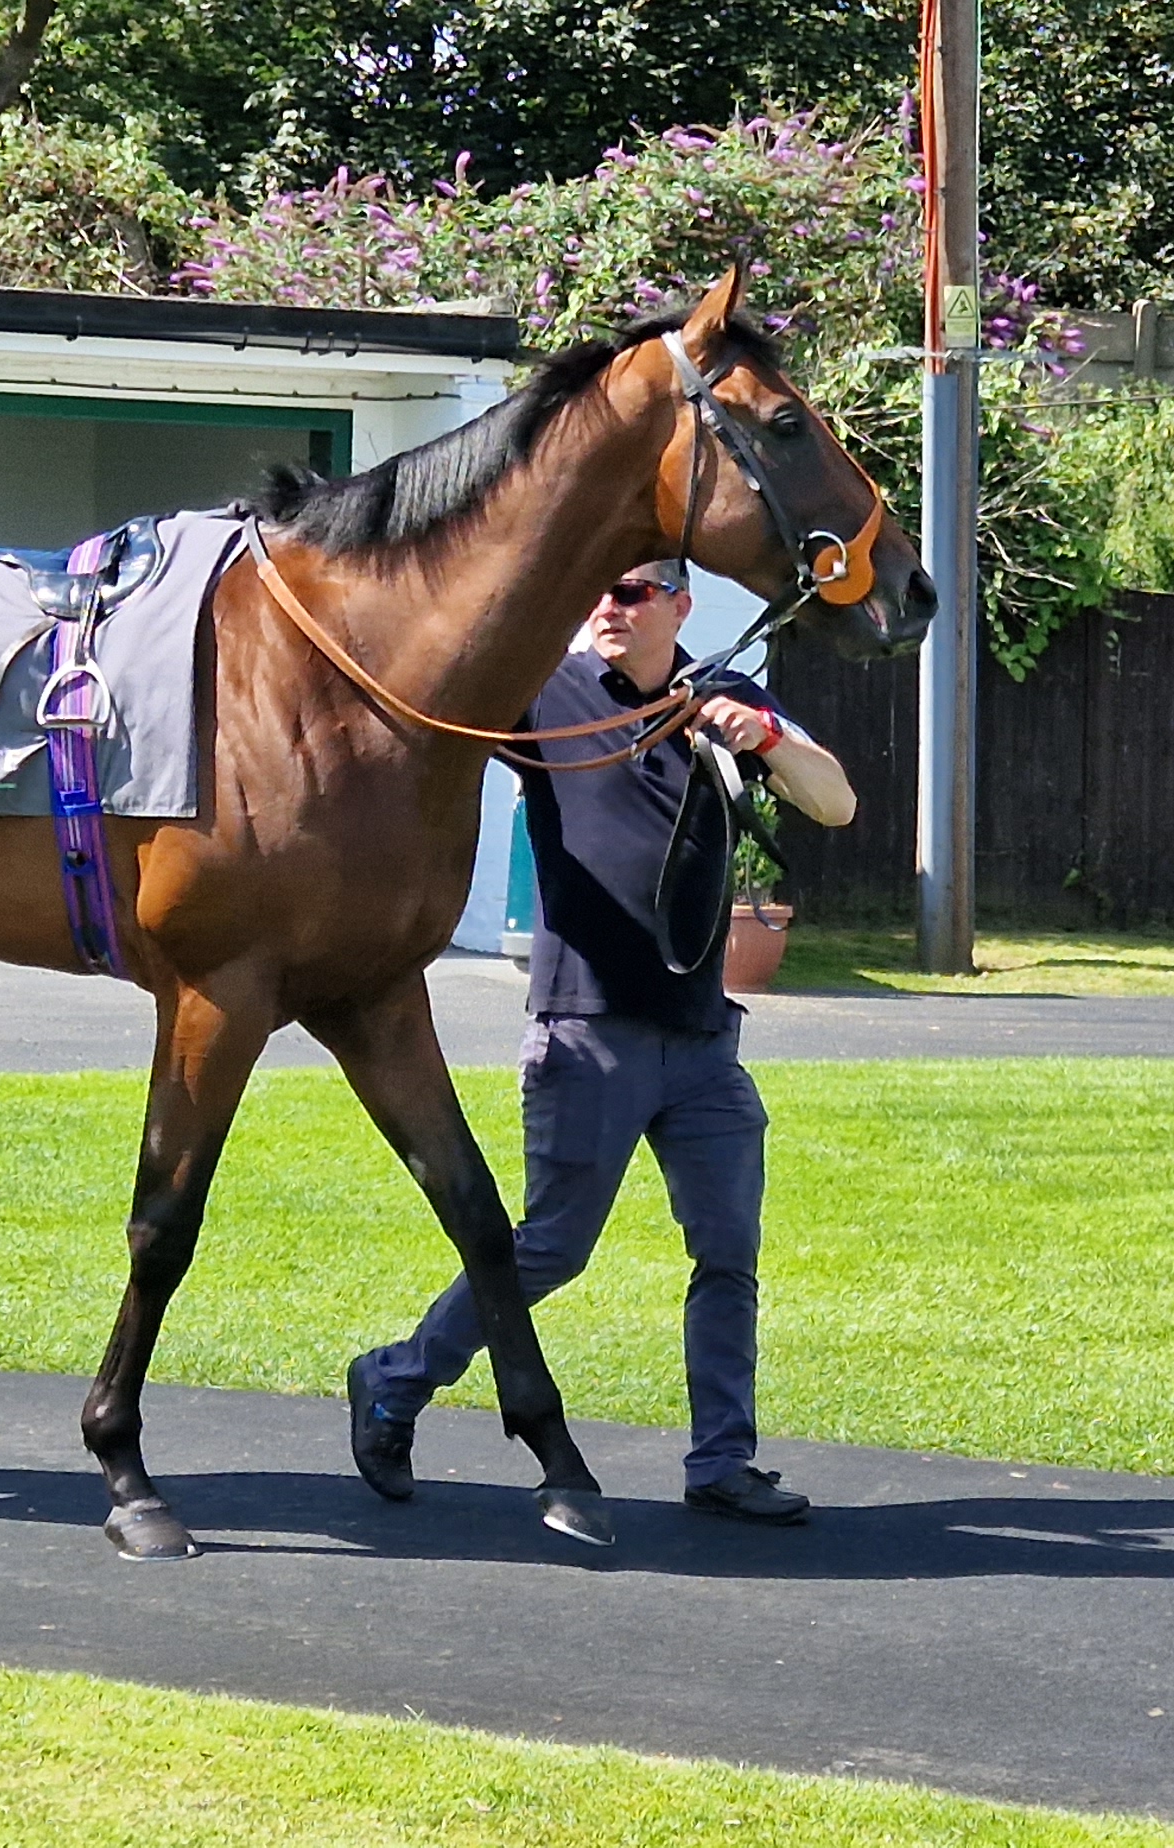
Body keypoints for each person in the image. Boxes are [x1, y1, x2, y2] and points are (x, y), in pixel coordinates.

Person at [350, 558, 858, 1527]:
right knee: (548, 1250)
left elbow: (834, 802)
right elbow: (425, 711)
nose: (607, 607)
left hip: (703, 1040)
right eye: (599, 590)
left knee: (726, 1252)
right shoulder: (545, 695)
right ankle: (395, 1379)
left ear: (678, 604)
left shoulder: (723, 694)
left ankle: (720, 1462)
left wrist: (763, 738)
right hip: (586, 1028)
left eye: (629, 591)